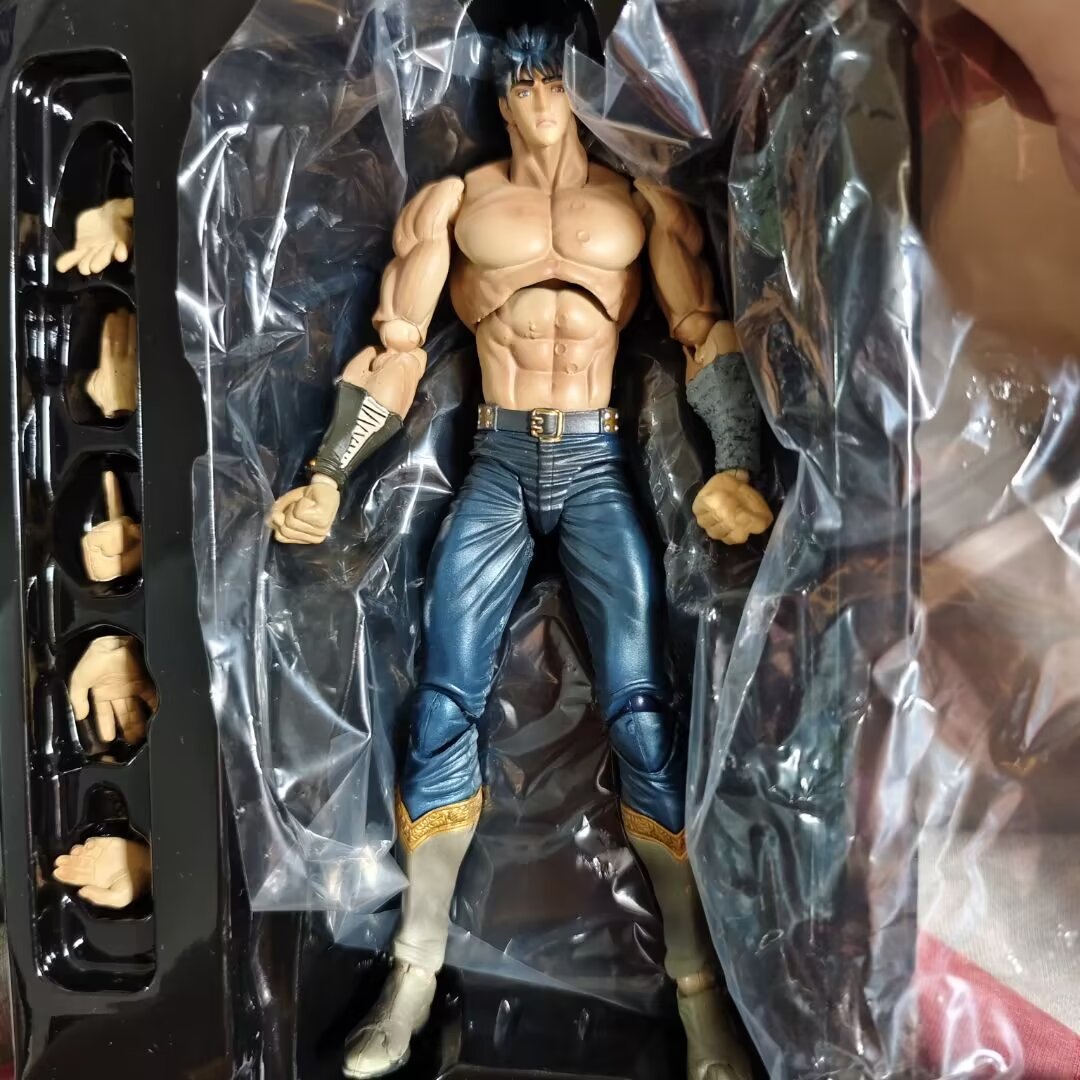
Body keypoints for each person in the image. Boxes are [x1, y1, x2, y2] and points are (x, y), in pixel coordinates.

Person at [270, 25, 772, 1080]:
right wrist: (330, 474)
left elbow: (701, 332)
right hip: (497, 458)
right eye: (520, 80)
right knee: (443, 702)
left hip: (595, 460)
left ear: (576, 87)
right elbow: (396, 352)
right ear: (500, 92)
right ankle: (413, 973)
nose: (536, 99)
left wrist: (733, 463)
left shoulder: (639, 204)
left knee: (642, 710)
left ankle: (699, 994)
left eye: (551, 78)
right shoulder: (456, 204)